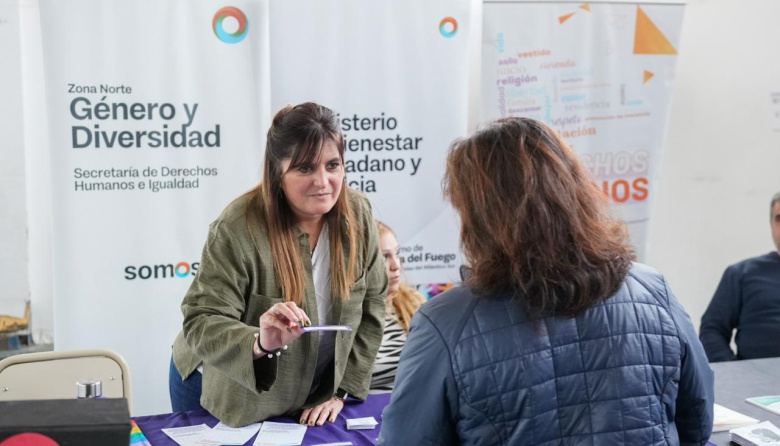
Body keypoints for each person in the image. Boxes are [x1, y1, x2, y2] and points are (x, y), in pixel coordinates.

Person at [378, 117, 714, 445]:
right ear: (573, 189)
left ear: (476, 215)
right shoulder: (651, 289)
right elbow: (697, 419)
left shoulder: (446, 322)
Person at [169, 102, 388, 428]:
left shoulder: (358, 214)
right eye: (304, 168)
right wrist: (260, 342)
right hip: (220, 386)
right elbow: (202, 320)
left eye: (332, 165)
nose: (323, 181)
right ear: (277, 172)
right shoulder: (237, 227)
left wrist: (340, 391)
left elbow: (372, 306)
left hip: (308, 391)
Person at [699, 193, 780, 362]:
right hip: (757, 385)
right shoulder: (742, 274)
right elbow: (712, 330)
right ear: (771, 225)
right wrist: (738, 377)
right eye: (779, 219)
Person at [368, 221, 426, 393]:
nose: (396, 265)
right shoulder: (343, 315)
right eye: (384, 256)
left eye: (397, 254)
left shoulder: (414, 303)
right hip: (361, 414)